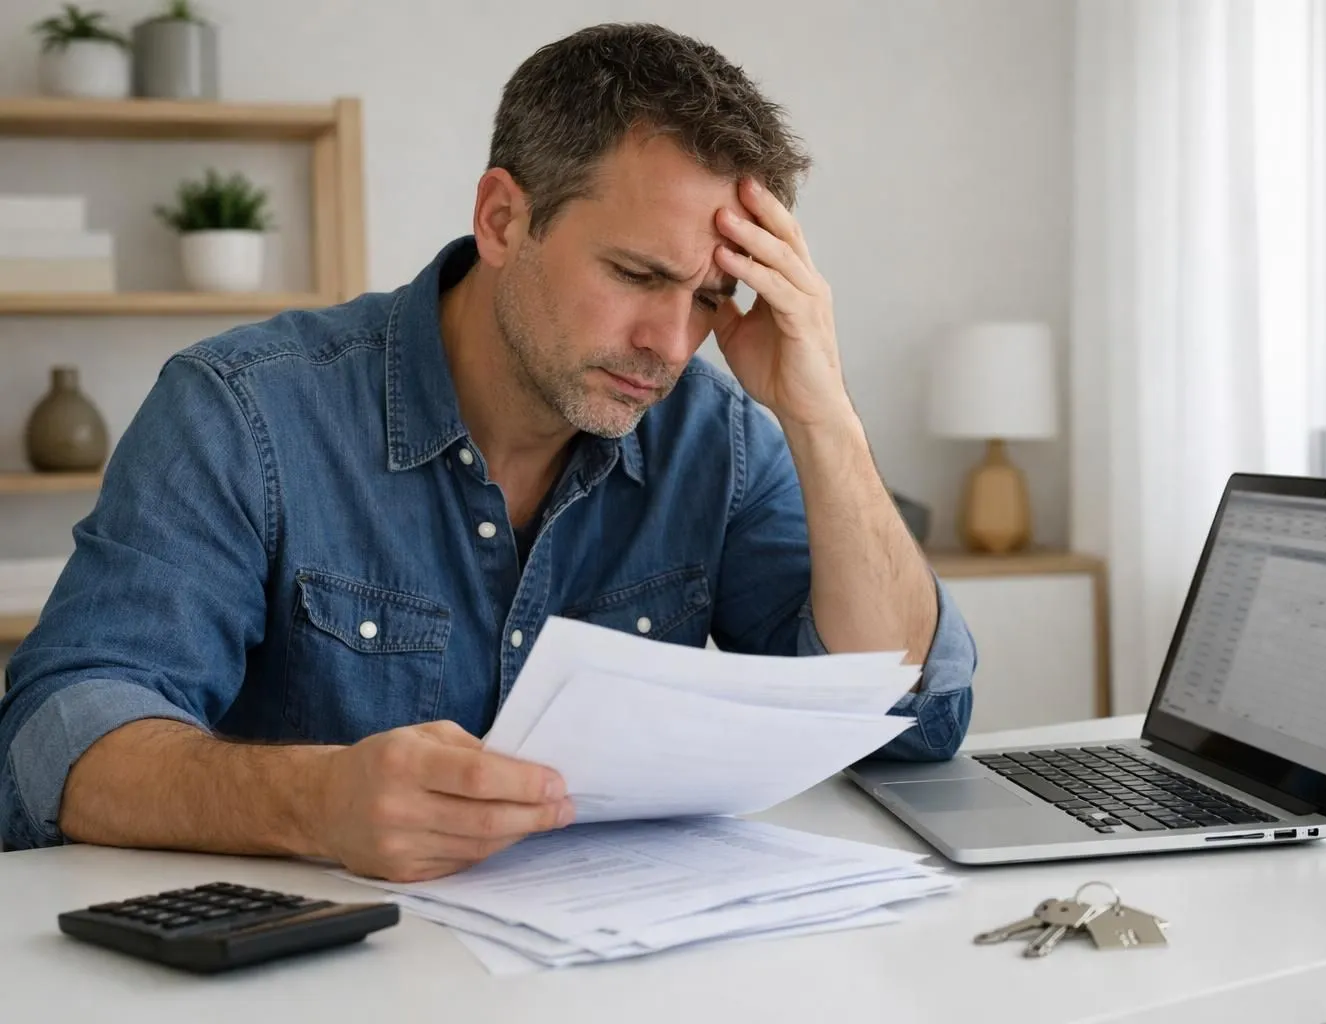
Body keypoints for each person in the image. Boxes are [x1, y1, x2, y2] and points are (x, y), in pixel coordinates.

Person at [0, 22, 975, 879]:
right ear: (503, 218)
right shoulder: (243, 411)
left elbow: (906, 716)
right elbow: (54, 741)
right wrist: (316, 801)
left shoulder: (715, 434)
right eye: (637, 274)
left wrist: (822, 414)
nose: (672, 344)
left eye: (711, 298)